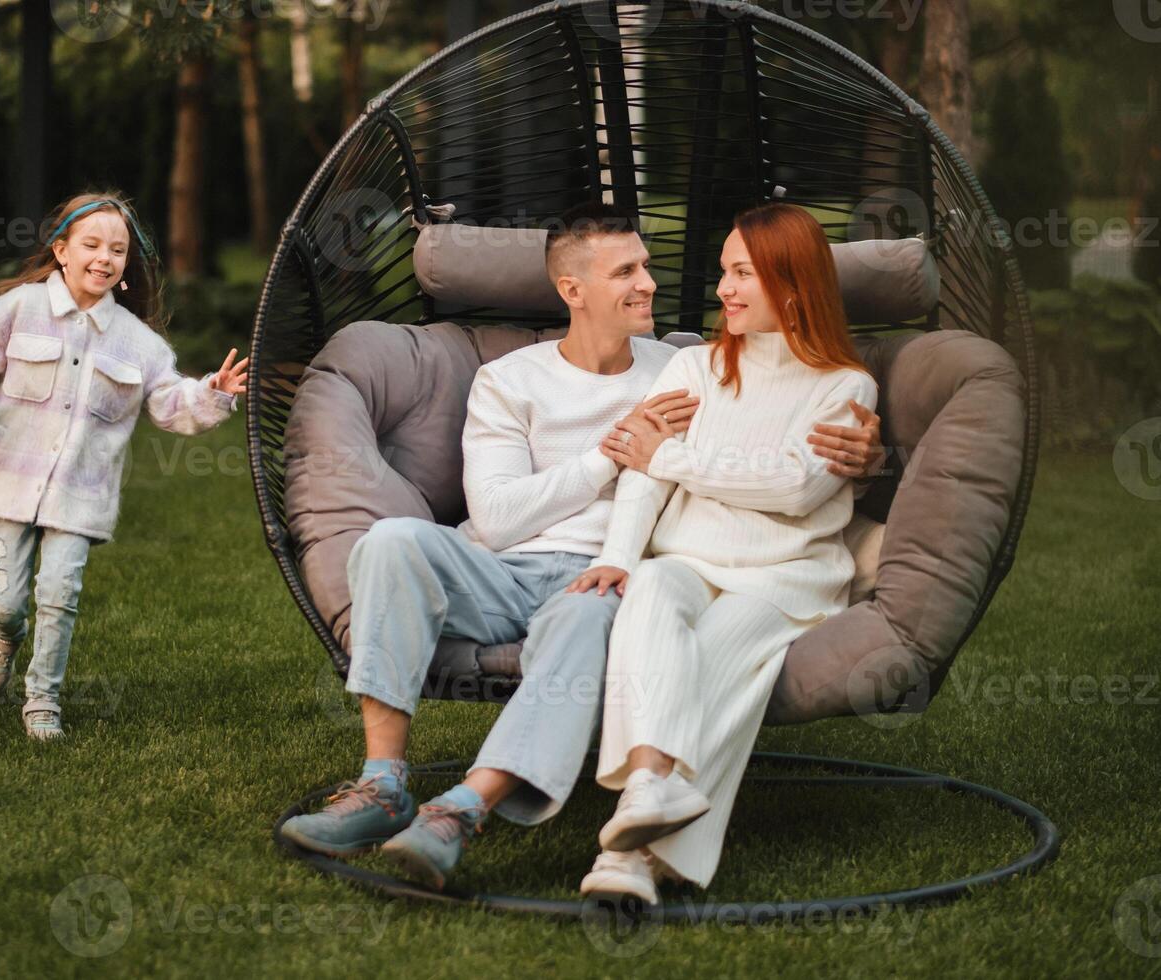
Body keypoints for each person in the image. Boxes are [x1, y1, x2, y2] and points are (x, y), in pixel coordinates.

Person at [280, 201, 881, 891]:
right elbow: (500, 519)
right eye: (626, 271)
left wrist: (863, 457)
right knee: (389, 541)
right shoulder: (510, 380)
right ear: (574, 291)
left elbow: (776, 408)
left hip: (605, 578)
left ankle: (463, 809)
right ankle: (382, 784)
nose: (649, 284)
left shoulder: (679, 362)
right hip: (502, 566)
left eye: (646, 267)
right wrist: (611, 454)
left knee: (592, 610)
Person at [570, 202, 878, 904]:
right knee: (646, 598)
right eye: (723, 273)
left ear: (793, 287)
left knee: (711, 660)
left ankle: (634, 856)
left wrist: (675, 454)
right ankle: (648, 783)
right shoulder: (694, 366)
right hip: (685, 559)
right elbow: (641, 473)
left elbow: (796, 488)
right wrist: (621, 556)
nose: (723, 290)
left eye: (742, 274)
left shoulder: (845, 388)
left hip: (785, 581)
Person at [0, 191, 248, 740]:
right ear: (62, 250)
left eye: (117, 250)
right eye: (92, 244)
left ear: (126, 264)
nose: (104, 257)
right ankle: (4, 635)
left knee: (60, 592)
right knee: (5, 600)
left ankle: (43, 699)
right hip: (11, 480)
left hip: (80, 492)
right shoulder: (19, 309)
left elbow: (170, 402)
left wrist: (211, 392)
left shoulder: (138, 343)